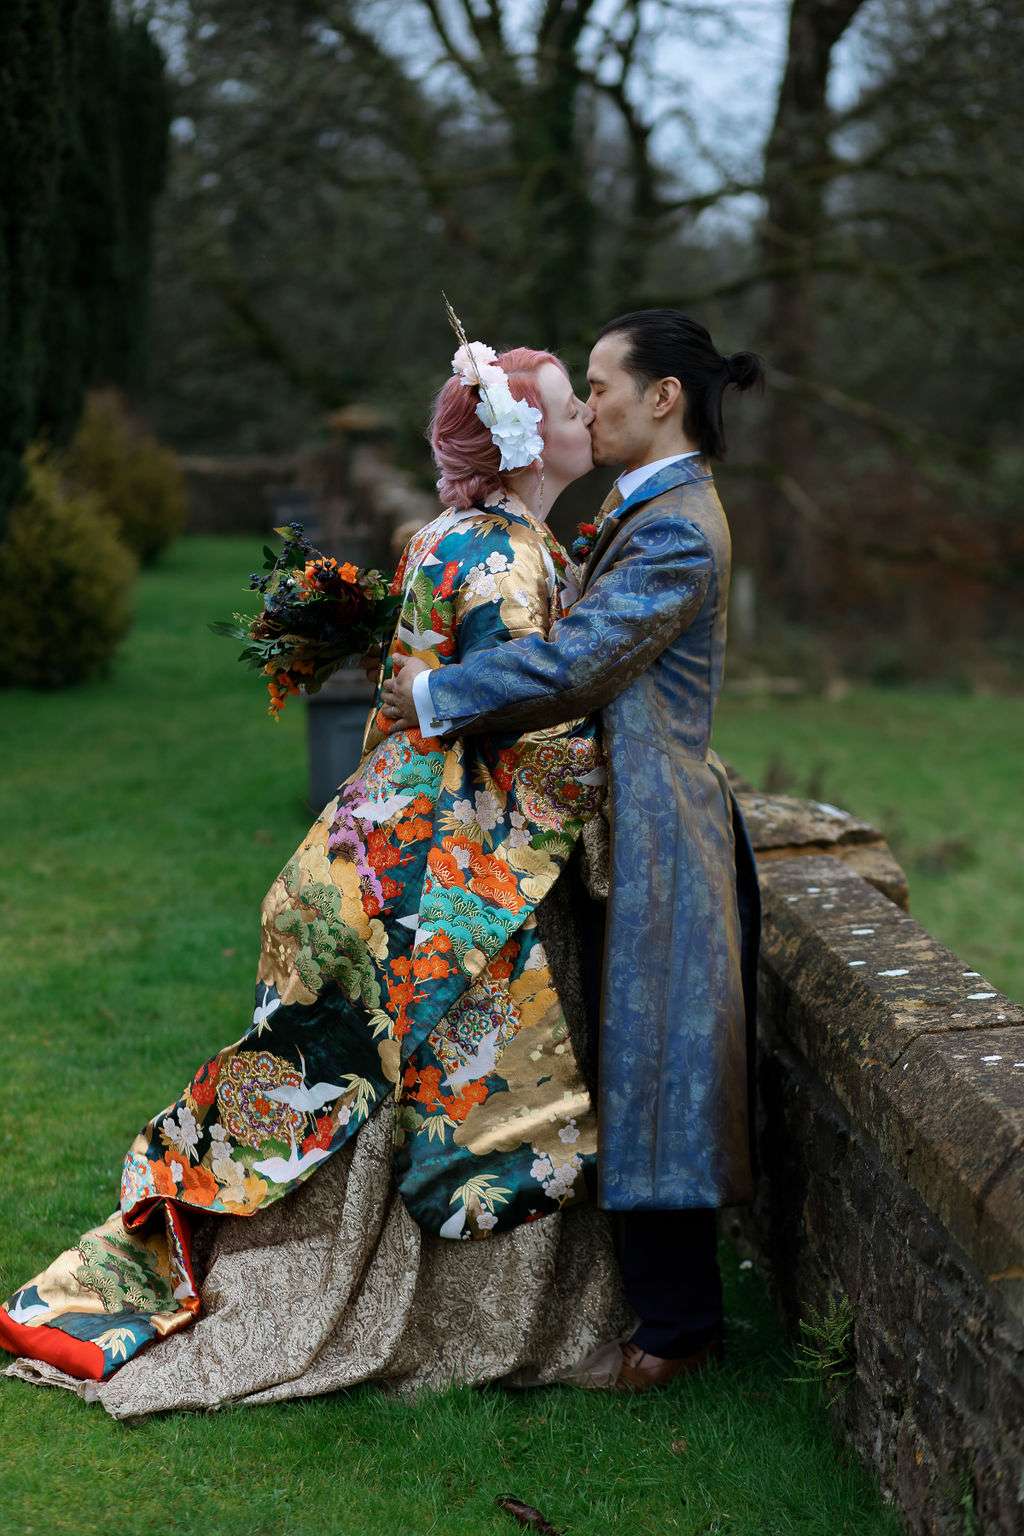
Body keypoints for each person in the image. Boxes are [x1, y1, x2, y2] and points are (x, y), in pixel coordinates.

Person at [0, 342, 643, 1417]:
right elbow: (518, 715)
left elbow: (421, 689)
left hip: (372, 839)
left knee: (364, 1078)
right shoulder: (502, 558)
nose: (587, 415)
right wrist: (623, 774)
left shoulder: (452, 533)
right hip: (447, 860)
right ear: (528, 442)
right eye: (571, 406)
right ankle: (451, 1310)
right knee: (454, 1076)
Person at [382, 308, 765, 1391]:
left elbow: (578, 663)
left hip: (663, 831)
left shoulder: (677, 527)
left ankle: (675, 1335)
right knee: (637, 1061)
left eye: (599, 387)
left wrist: (434, 693)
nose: (586, 409)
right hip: (626, 822)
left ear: (663, 397)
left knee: (660, 1069)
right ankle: (658, 1315)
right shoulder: (645, 506)